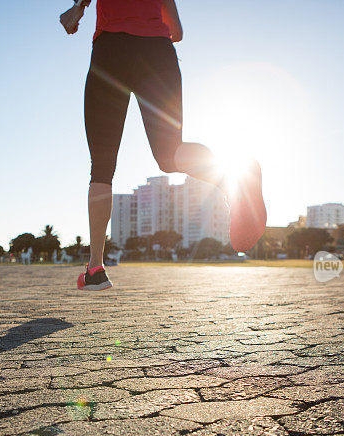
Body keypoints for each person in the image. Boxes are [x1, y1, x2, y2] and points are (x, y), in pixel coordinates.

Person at [61, 0, 266, 291]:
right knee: (170, 153)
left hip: (112, 51)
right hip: (159, 52)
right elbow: (177, 31)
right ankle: (235, 175)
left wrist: (77, 9)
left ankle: (96, 268)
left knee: (103, 166)